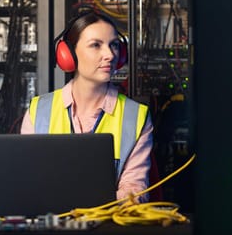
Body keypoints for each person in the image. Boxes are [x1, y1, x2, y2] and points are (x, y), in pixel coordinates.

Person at [20, 11, 153, 203]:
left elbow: (135, 193)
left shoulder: (136, 116)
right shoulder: (38, 111)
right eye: (95, 45)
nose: (109, 55)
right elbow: (27, 184)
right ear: (68, 54)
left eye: (114, 45)